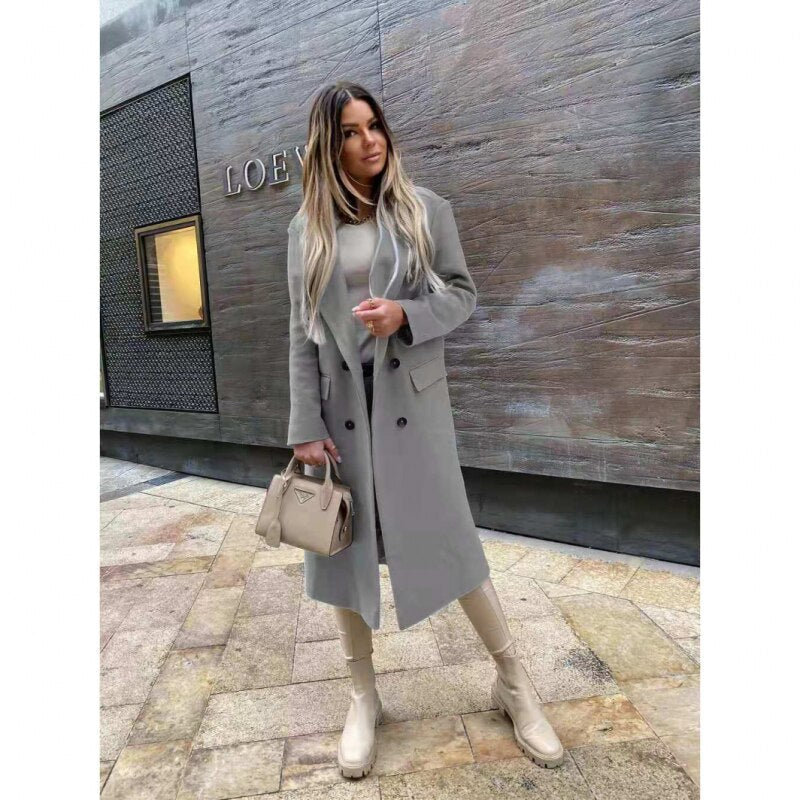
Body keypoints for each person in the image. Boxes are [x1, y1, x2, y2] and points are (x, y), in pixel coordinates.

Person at [285, 81, 564, 778]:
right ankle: (363, 696)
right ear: (328, 146)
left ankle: (513, 683)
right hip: (341, 415)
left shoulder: (423, 209)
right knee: (343, 550)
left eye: (374, 125)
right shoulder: (305, 231)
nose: (369, 141)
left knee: (453, 542)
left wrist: (405, 315)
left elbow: (462, 294)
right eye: (350, 132)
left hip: (412, 404)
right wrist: (303, 423)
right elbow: (300, 334)